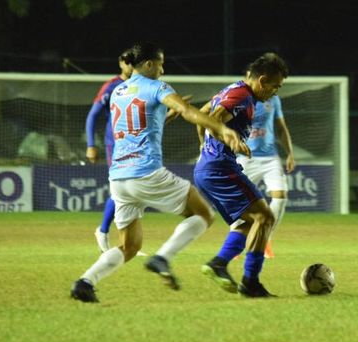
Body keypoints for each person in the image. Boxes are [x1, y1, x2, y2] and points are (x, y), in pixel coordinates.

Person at [71, 42, 249, 303]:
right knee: (203, 213)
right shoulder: (156, 87)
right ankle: (162, 258)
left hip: (119, 178)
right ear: (149, 64)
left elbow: (136, 125)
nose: (163, 70)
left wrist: (163, 117)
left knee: (130, 246)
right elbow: (189, 111)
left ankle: (85, 282)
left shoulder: (119, 91)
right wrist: (223, 129)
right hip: (146, 173)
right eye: (161, 64)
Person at [194, 52, 289, 298]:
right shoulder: (242, 95)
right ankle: (250, 282)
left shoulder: (231, 90)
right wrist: (228, 138)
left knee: (248, 223)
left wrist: (202, 148)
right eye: (274, 87)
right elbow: (213, 120)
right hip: (220, 167)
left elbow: (201, 114)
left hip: (209, 167)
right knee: (265, 218)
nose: (274, 93)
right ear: (262, 80)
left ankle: (219, 263)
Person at [236, 64, 295, 258]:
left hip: (270, 157)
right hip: (246, 157)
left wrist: (290, 153)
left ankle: (265, 238)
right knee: (239, 201)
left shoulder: (273, 100)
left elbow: (281, 127)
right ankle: (236, 243)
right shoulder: (240, 98)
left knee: (280, 196)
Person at [85, 49, 134, 253]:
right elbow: (93, 115)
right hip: (114, 144)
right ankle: (103, 230)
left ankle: (129, 241)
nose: (132, 65)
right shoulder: (112, 86)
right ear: (121, 63)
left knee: (132, 190)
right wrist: (90, 144)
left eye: (135, 62)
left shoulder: (140, 85)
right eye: (128, 62)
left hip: (135, 144)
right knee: (122, 188)